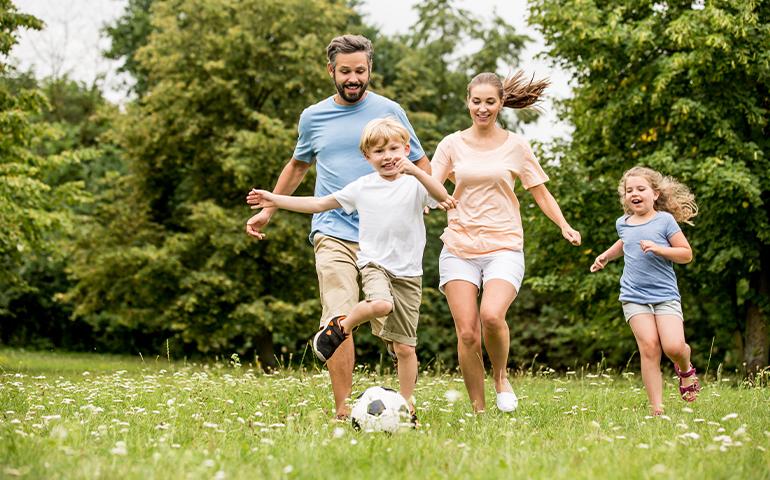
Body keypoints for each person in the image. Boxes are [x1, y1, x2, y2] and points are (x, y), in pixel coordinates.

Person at [244, 34, 430, 420]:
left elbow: (420, 161)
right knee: (339, 316)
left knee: (396, 331)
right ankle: (344, 408)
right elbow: (298, 166)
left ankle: (403, 403)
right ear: (331, 71)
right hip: (333, 231)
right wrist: (269, 210)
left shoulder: (390, 112)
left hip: (385, 237)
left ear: (369, 70)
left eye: (360, 71)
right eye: (345, 71)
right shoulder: (313, 117)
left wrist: (423, 199)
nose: (353, 78)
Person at [248, 118, 454, 421]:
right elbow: (319, 204)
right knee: (382, 304)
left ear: (407, 149)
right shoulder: (363, 187)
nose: (387, 156)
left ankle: (406, 405)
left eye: (394, 148)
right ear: (366, 157)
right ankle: (340, 327)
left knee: (405, 348)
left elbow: (440, 195)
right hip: (375, 264)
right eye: (378, 151)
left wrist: (415, 170)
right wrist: (274, 200)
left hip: (409, 273)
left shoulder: (415, 184)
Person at [430, 71, 582, 413]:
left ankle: (500, 376)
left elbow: (540, 192)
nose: (482, 108)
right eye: (476, 101)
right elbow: (432, 185)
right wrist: (430, 200)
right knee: (467, 333)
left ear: (501, 104)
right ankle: (479, 411)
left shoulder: (516, 145)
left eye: (490, 102)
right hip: (459, 245)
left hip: (504, 244)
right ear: (467, 101)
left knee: (492, 316)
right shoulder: (451, 144)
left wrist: (564, 225)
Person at [590, 166, 700, 415]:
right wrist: (606, 256)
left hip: (665, 295)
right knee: (649, 347)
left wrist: (660, 249)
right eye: (629, 190)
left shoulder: (665, 220)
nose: (634, 194)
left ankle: (685, 366)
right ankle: (656, 408)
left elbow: (686, 254)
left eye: (641, 189)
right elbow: (625, 242)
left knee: (673, 347)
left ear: (655, 194)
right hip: (633, 295)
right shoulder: (623, 223)